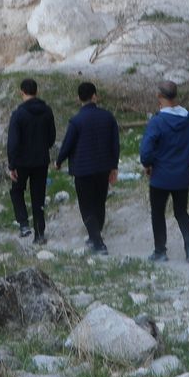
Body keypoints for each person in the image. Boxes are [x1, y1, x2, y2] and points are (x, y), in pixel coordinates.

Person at [139, 81, 189, 263]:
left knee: (158, 212)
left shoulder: (157, 121)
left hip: (160, 177)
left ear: (159, 96)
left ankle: (160, 251)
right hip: (182, 175)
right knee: (181, 212)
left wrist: (148, 164)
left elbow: (146, 151)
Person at [55, 82, 120, 255]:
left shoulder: (76, 121)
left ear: (78, 98)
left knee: (86, 206)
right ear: (95, 96)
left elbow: (67, 145)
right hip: (103, 168)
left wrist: (59, 161)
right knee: (99, 202)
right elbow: (115, 144)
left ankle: (98, 243)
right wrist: (114, 166)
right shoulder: (108, 117)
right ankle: (95, 235)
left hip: (83, 170)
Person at [6, 77, 56, 245]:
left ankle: (23, 224)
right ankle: (39, 234)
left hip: (21, 162)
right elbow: (52, 137)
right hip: (41, 161)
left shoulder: (18, 114)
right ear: (37, 91)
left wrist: (12, 165)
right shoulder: (47, 111)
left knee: (17, 191)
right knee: (38, 197)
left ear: (22, 92)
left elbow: (13, 142)